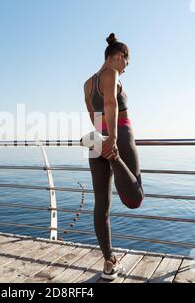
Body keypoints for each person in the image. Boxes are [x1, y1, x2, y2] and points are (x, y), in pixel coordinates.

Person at [80, 33, 145, 280]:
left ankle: (109, 262)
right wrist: (114, 142)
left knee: (101, 206)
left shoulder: (87, 83)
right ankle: (114, 157)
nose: (125, 69)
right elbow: (110, 104)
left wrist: (102, 138)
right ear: (118, 57)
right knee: (135, 197)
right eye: (126, 63)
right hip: (118, 137)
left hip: (98, 139)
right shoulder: (112, 73)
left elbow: (93, 114)